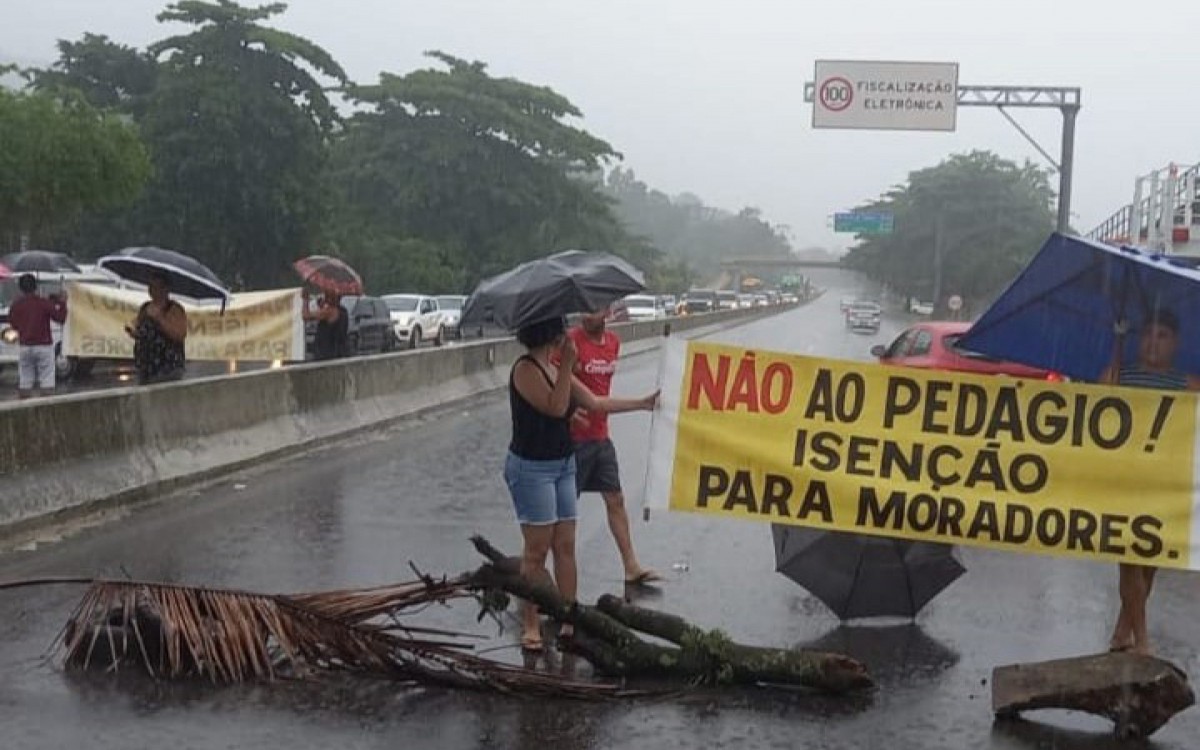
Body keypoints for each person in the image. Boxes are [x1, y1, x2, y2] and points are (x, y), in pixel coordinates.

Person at [505, 315, 657, 653]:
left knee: (565, 546)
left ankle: (568, 616)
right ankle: (531, 624)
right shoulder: (526, 369)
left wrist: (643, 404)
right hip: (532, 469)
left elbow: (596, 403)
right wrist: (568, 367)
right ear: (551, 336)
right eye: (560, 331)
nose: (565, 337)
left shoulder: (554, 369)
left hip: (563, 463)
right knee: (536, 550)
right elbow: (556, 406)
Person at [1100, 309, 1200, 655]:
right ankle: (1141, 639)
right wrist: (1111, 374)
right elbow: (1098, 410)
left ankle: (1121, 631)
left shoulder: (1188, 385)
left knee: (1149, 561)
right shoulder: (1119, 375)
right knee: (1130, 557)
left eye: (1162, 336)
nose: (1152, 343)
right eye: (1147, 334)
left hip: (1167, 485)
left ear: (1175, 343)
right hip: (1126, 482)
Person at [567, 308, 661, 585]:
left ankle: (631, 565)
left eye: (593, 310)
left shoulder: (613, 343)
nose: (587, 316)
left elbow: (601, 393)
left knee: (615, 499)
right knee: (562, 511)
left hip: (600, 435)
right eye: (583, 311)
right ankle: (534, 569)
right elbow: (552, 380)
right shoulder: (571, 343)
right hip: (575, 440)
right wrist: (568, 410)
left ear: (607, 311)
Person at [7, 274, 67, 398]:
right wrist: (62, 303)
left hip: (25, 346)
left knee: (25, 379)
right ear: (36, 287)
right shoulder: (43, 303)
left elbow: (13, 324)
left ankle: (24, 404)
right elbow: (60, 318)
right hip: (44, 346)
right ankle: (46, 405)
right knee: (47, 380)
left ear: (20, 288)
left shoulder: (16, 305)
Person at [127, 272, 187, 384]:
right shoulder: (145, 307)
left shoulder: (174, 309)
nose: (154, 290)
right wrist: (135, 332)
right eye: (151, 286)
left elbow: (179, 335)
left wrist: (159, 318)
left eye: (158, 286)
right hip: (146, 367)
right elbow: (141, 330)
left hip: (168, 368)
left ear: (166, 289)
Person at [302, 289, 348, 361]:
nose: (324, 297)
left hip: (325, 353)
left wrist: (305, 300)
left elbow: (306, 316)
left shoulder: (329, 311)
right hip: (338, 352)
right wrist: (322, 306)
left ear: (330, 297)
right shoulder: (343, 311)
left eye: (326, 295)